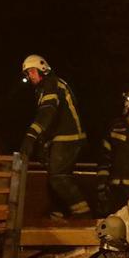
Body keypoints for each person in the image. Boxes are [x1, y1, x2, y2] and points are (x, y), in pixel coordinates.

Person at [18, 55, 89, 220]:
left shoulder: (51, 83)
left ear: (43, 69)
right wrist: (43, 144)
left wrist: (30, 137)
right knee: (55, 178)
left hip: (68, 137)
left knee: (58, 177)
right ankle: (58, 214)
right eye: (27, 74)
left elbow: (47, 113)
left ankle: (83, 215)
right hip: (63, 138)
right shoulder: (46, 87)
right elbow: (51, 120)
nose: (29, 77)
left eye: (31, 72)